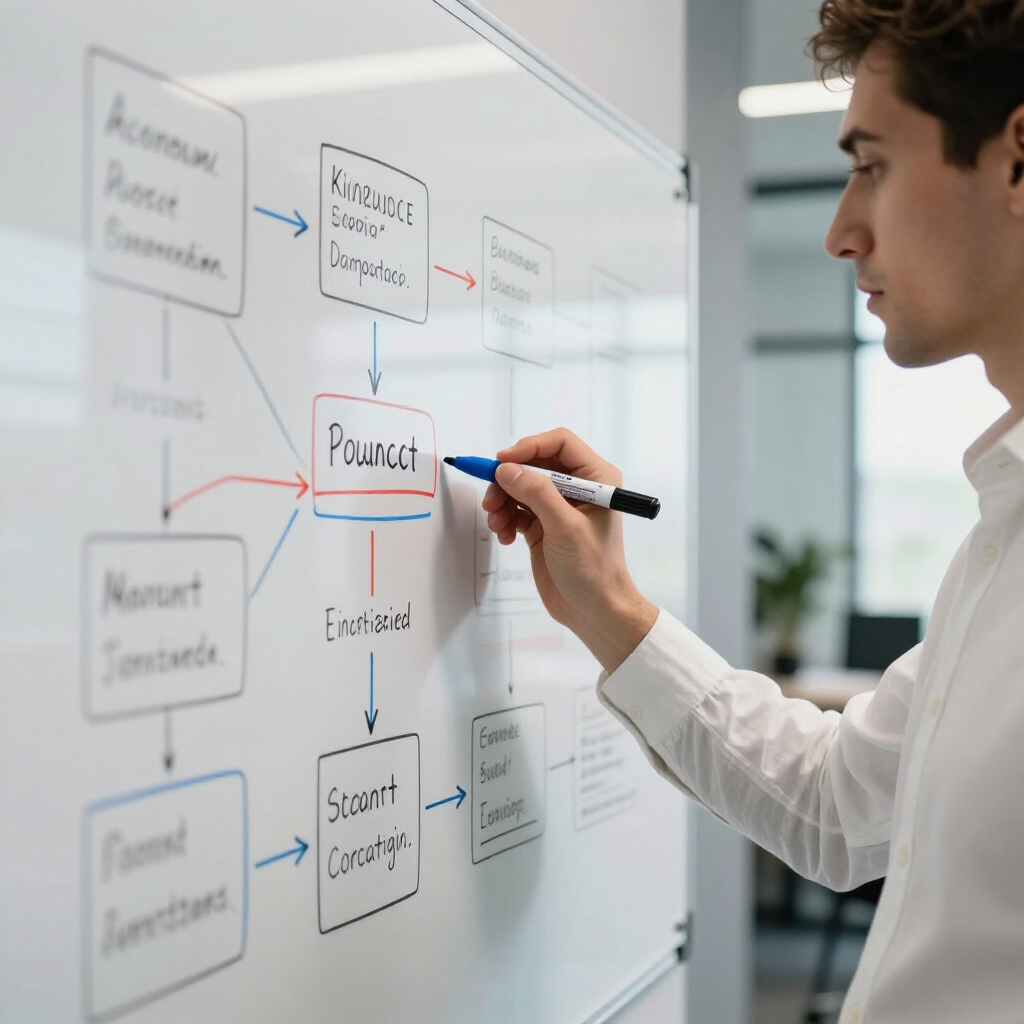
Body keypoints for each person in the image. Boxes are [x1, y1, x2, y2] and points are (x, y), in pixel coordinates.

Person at [482, 2, 1024, 1022]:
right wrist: (610, 607)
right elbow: (834, 806)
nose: (839, 229)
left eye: (872, 164)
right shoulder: (996, 543)